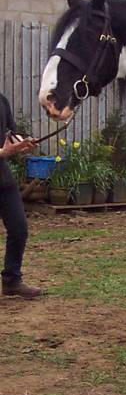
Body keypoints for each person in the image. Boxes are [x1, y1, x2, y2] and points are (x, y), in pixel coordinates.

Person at [0, 92, 41, 298]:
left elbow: (10, 134)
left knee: (19, 229)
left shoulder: (2, 100)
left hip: (3, 178)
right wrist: (3, 152)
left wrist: (22, 142)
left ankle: (11, 281)